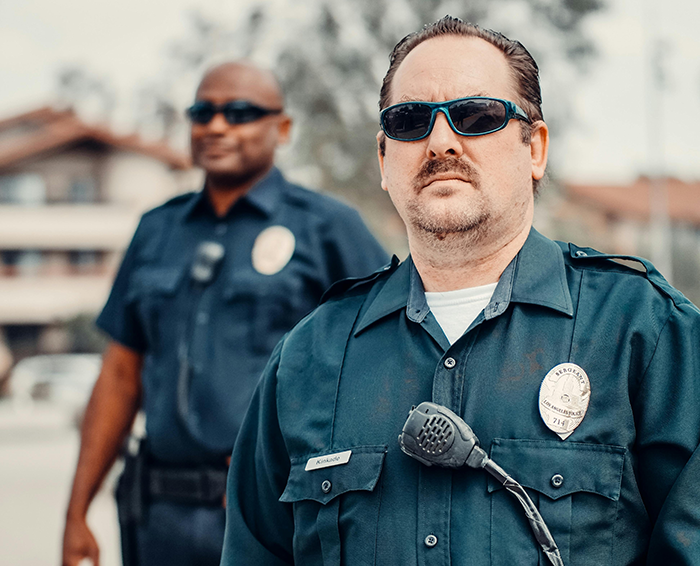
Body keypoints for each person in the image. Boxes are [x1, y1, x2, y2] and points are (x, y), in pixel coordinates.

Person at [220, 17, 700, 566]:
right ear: (383, 159)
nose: (441, 141)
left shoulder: (647, 333)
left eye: (477, 116)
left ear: (535, 148)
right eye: (410, 121)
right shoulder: (307, 359)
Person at [61, 61, 388, 566]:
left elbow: (384, 354)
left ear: (281, 128)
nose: (216, 126)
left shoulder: (328, 226)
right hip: (158, 518)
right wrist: (76, 511)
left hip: (269, 516)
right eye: (203, 112)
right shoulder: (156, 230)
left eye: (239, 113)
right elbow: (121, 377)